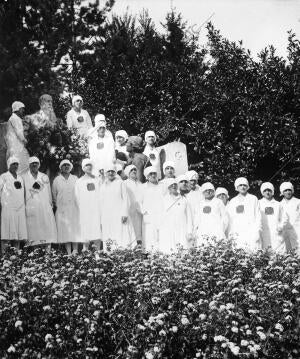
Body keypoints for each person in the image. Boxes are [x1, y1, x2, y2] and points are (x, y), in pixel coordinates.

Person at [23, 157, 57, 248]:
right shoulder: (24, 177)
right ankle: (35, 255)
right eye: (32, 163)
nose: (34, 165)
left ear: (39, 165)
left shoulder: (44, 177)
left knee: (46, 229)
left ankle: (48, 254)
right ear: (29, 165)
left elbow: (48, 192)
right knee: (34, 231)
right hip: (31, 207)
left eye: (36, 163)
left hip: (44, 206)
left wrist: (50, 204)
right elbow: (24, 193)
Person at [99, 164, 134, 251]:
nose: (110, 173)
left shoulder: (120, 183)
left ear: (115, 173)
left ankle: (122, 254)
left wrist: (124, 213)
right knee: (108, 234)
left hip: (119, 214)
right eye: (108, 171)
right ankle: (109, 255)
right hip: (107, 216)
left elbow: (126, 199)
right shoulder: (103, 186)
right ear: (106, 173)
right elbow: (100, 202)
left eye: (112, 171)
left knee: (120, 234)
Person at [52, 159, 80, 254]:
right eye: (64, 165)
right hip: (62, 209)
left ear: (71, 167)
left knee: (75, 229)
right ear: (61, 168)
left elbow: (79, 193)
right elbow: (54, 195)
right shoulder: (57, 180)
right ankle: (68, 253)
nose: (66, 167)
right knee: (65, 230)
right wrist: (59, 205)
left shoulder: (75, 178)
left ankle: (75, 251)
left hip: (74, 208)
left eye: (68, 165)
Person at [159, 178, 193, 253]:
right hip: (168, 230)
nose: (173, 186)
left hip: (182, 229)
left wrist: (189, 231)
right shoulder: (163, 200)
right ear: (168, 187)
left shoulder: (184, 199)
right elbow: (160, 217)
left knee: (182, 251)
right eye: (171, 185)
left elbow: (189, 217)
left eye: (175, 185)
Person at [0, 156, 27, 251]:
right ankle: (4, 256)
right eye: (13, 164)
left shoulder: (20, 177)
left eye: (16, 164)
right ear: (9, 165)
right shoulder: (3, 176)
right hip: (8, 208)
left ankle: (16, 256)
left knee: (18, 235)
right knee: (6, 233)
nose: (15, 166)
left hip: (20, 208)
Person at [227, 177, 261, 251]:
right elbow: (230, 219)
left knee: (253, 252)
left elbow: (258, 216)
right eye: (240, 185)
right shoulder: (233, 201)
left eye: (244, 185)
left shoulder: (253, 199)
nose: (243, 187)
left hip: (251, 231)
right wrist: (231, 234)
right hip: (238, 232)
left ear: (247, 187)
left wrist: (257, 231)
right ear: (237, 187)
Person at [74, 159, 102, 249]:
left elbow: (102, 194)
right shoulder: (79, 181)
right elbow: (76, 197)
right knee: (85, 231)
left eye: (90, 165)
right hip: (85, 210)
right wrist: (82, 209)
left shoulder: (98, 180)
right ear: (83, 168)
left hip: (96, 209)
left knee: (97, 230)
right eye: (86, 165)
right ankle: (85, 252)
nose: (89, 167)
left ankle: (97, 253)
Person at [259, 182, 287, 253]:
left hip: (276, 233)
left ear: (272, 192)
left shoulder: (278, 204)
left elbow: (284, 218)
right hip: (263, 233)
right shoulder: (258, 203)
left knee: (279, 255)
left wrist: (280, 226)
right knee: (265, 254)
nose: (267, 192)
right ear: (262, 192)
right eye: (265, 191)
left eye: (269, 190)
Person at [140, 166, 163, 251]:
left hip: (161, 214)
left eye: (154, 173)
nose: (153, 175)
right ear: (147, 176)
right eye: (151, 174)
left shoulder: (162, 186)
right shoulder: (142, 187)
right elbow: (138, 202)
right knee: (149, 237)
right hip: (148, 215)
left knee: (160, 235)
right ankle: (150, 256)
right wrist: (144, 211)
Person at [6, 101, 30, 175]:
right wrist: (25, 141)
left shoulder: (16, 118)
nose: (23, 111)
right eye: (22, 109)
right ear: (17, 109)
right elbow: (19, 132)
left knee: (24, 164)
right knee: (20, 165)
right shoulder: (14, 118)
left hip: (18, 146)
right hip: (16, 147)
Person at [124, 165, 143, 244]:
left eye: (135, 170)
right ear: (128, 173)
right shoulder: (125, 183)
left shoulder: (140, 183)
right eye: (132, 170)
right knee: (132, 230)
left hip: (140, 210)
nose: (134, 171)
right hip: (130, 210)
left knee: (140, 229)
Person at [280, 181, 300, 254]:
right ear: (282, 192)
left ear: (292, 191)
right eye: (285, 190)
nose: (288, 192)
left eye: (289, 190)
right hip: (285, 232)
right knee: (287, 253)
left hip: (297, 231)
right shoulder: (279, 204)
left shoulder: (298, 202)